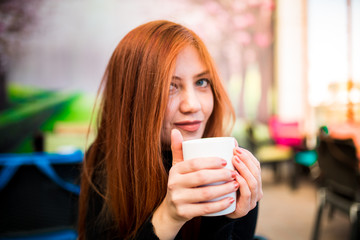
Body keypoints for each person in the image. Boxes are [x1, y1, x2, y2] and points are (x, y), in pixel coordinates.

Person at [78, 20, 263, 240]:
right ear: (131, 99)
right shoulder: (104, 163)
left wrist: (223, 213)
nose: (193, 105)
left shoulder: (231, 166)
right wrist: (167, 219)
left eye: (202, 82)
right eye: (170, 86)